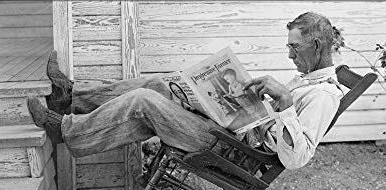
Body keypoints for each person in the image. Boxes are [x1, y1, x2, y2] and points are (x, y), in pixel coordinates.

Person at [27, 12, 343, 170]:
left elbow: (298, 157)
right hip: (228, 130)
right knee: (159, 85)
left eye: (294, 47)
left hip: (228, 150)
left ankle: (66, 132)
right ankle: (69, 97)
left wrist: (284, 102)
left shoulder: (323, 96)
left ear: (316, 46)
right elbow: (270, 122)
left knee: (144, 101)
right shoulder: (307, 81)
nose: (289, 54)